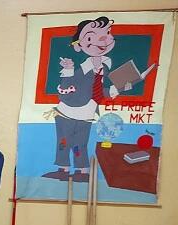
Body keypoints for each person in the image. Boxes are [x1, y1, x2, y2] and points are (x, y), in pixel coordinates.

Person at [42, 16, 141, 183]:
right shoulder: (81, 69)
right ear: (79, 45)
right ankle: (63, 169)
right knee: (64, 141)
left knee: (80, 144)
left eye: (106, 33)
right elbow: (67, 88)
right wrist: (68, 70)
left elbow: (100, 90)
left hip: (87, 112)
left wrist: (120, 88)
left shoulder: (106, 66)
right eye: (90, 37)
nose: (102, 39)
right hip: (67, 110)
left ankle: (82, 171)